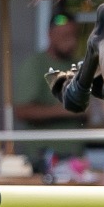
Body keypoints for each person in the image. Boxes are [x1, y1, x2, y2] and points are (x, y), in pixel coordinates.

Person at [14, 14, 89, 161]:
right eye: (65, 35)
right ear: (50, 35)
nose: (72, 41)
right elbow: (22, 110)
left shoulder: (80, 66)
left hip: (76, 156)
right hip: (42, 157)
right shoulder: (35, 65)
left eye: (75, 35)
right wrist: (66, 110)